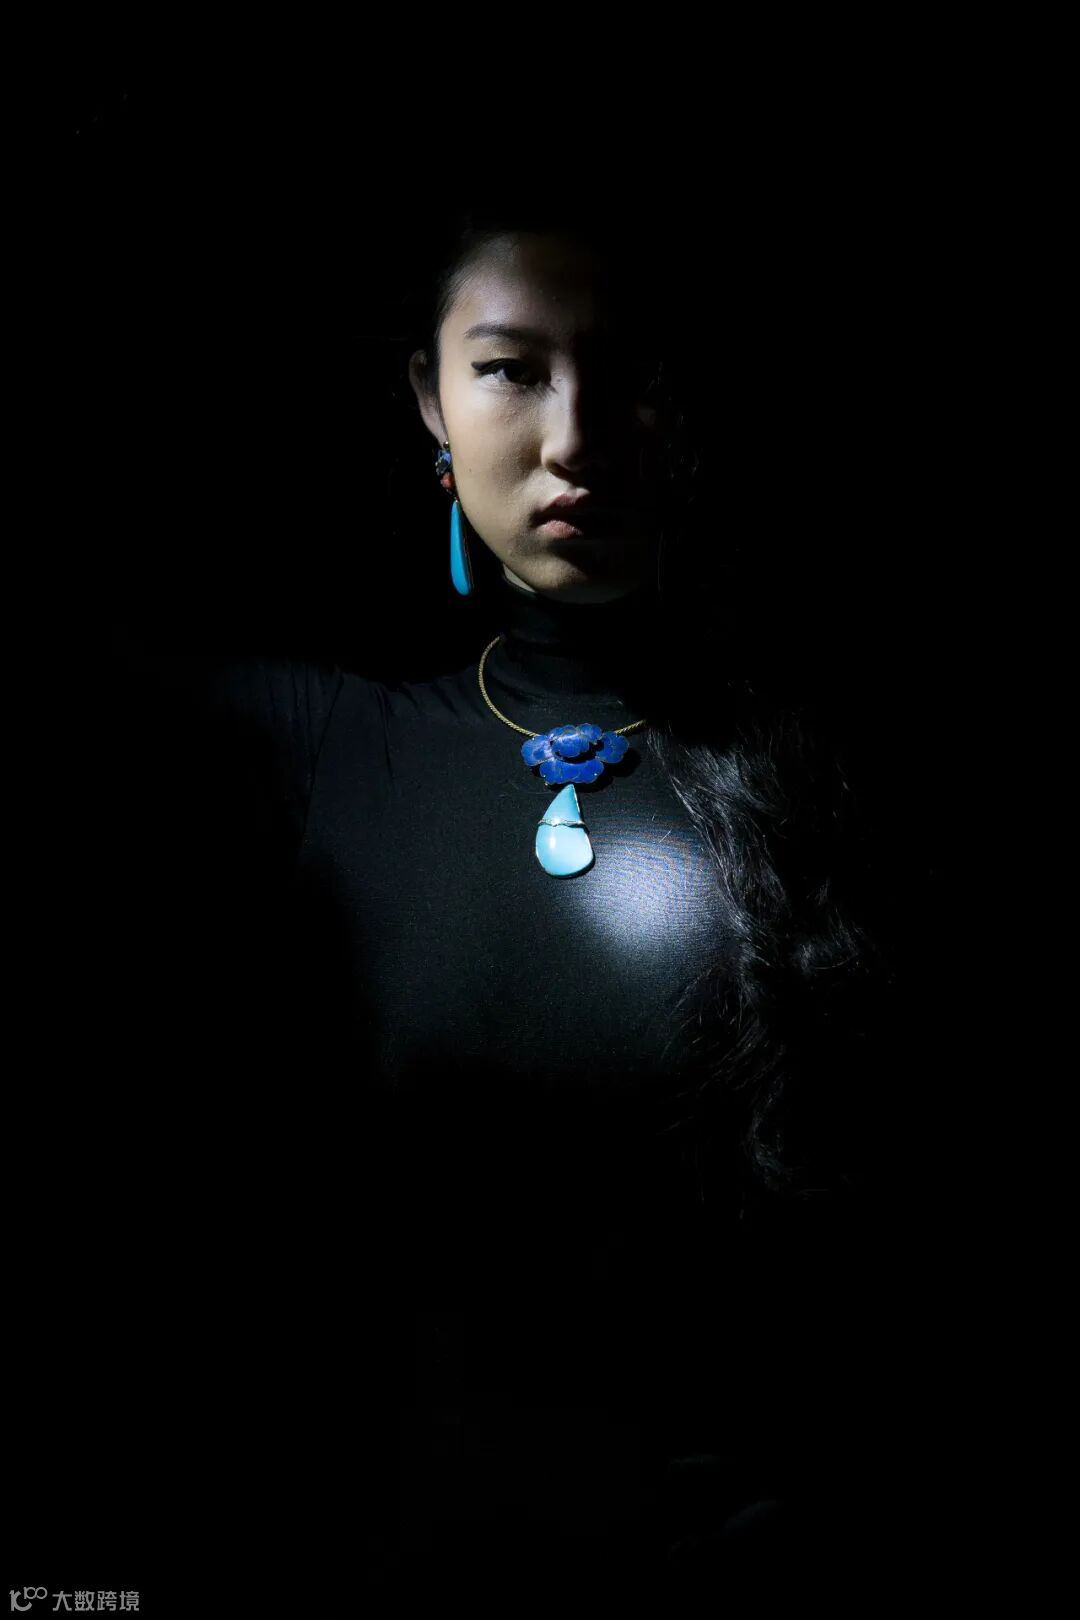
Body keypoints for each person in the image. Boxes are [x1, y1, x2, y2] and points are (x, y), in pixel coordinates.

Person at [85, 203, 909, 1600]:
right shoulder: (318, 751)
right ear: (430, 399)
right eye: (512, 369)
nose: (573, 438)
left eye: (623, 372)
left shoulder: (840, 785)